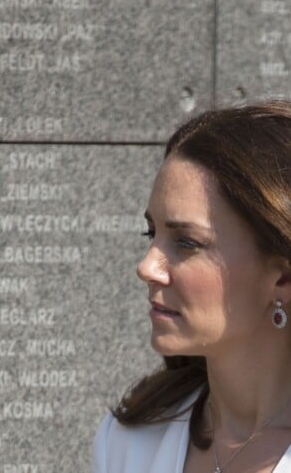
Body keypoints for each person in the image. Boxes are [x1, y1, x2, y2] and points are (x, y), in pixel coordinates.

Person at [91, 100, 291, 473]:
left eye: (186, 242)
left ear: (282, 277)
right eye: (152, 233)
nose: (147, 266)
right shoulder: (129, 440)